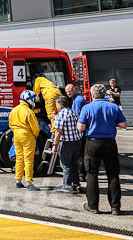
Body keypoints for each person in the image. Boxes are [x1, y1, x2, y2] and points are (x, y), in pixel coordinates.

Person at [77, 84, 127, 215]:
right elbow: (123, 124)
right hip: (110, 143)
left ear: (92, 95)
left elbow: (81, 127)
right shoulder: (114, 107)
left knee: (92, 174)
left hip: (93, 143)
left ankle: (93, 206)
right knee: (113, 174)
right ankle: (115, 206)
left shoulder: (87, 108)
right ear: (105, 94)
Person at [9, 90, 40, 191]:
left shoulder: (14, 110)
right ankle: (29, 183)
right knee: (28, 159)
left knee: (19, 158)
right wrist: (35, 135)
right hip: (27, 136)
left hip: (16, 135)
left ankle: (18, 180)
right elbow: (35, 128)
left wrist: (16, 131)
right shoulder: (29, 112)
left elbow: (10, 124)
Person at [52, 96, 83, 194]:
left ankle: (66, 186)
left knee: (66, 165)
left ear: (60, 105)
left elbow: (58, 132)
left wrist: (54, 145)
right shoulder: (73, 112)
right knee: (74, 164)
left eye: (56, 105)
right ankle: (76, 185)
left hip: (66, 142)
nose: (56, 107)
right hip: (77, 141)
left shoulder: (60, 115)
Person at [65, 83, 88, 182]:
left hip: (81, 130)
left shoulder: (78, 100)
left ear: (75, 89)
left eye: (69, 91)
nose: (68, 93)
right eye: (66, 92)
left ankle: (82, 174)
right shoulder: (76, 99)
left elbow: (77, 116)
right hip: (83, 129)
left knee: (80, 153)